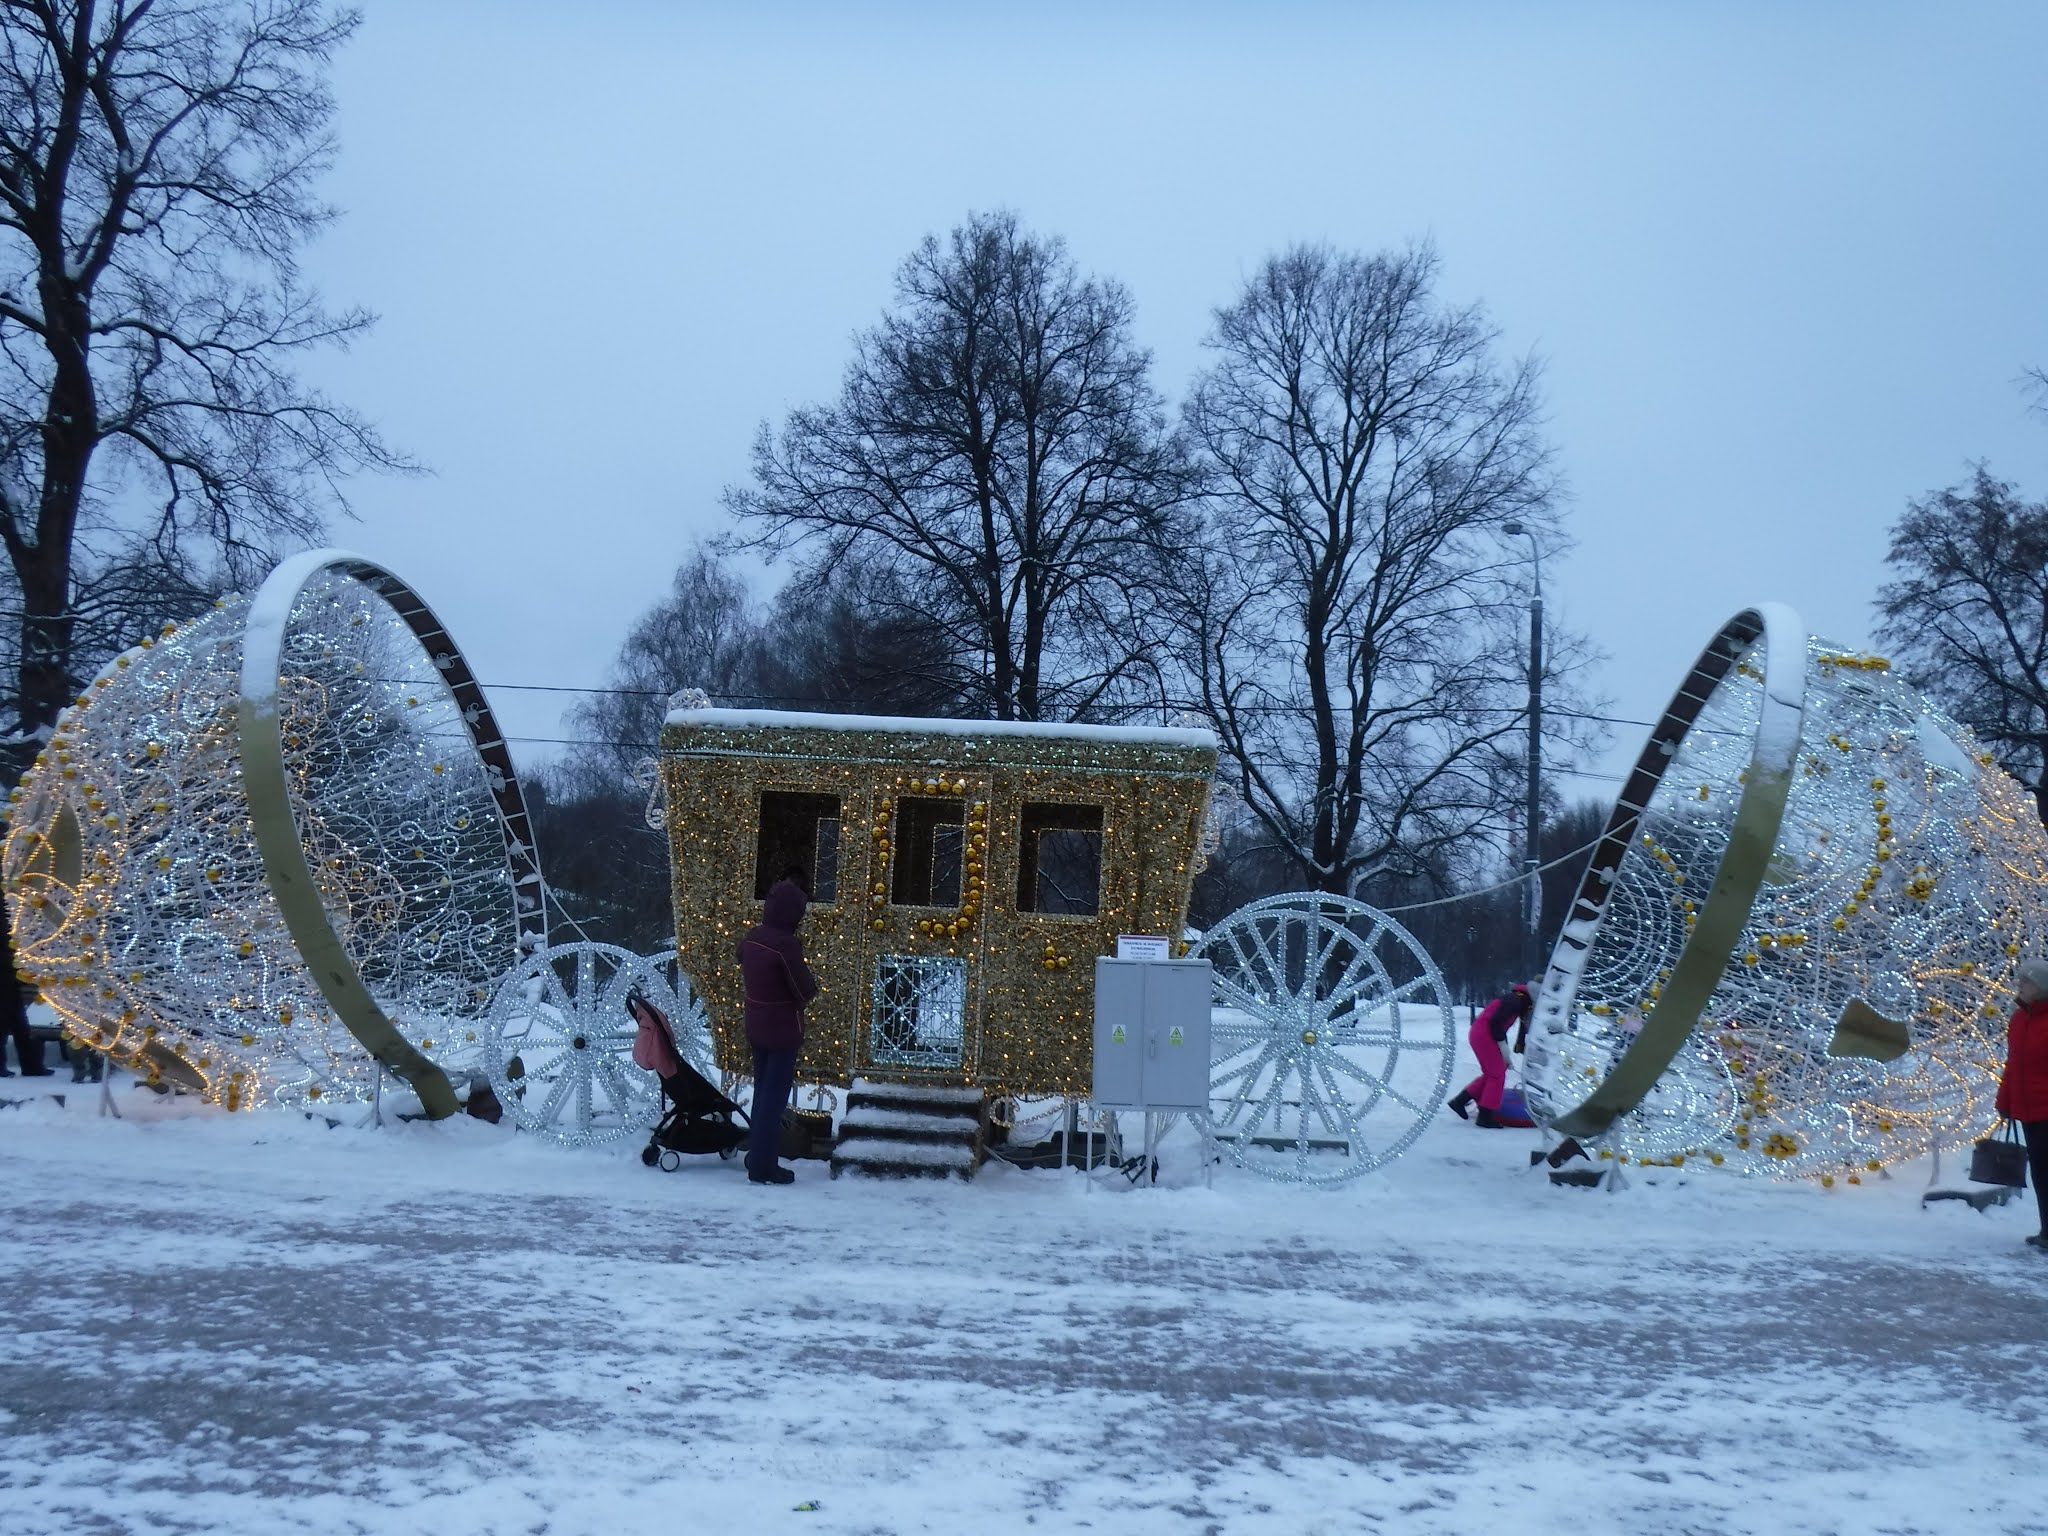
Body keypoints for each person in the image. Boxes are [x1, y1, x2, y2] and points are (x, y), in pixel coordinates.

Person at [737, 875, 819, 1185]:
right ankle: (763, 1166)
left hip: (756, 1024)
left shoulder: (753, 937)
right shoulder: (786, 945)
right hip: (783, 1029)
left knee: (762, 1094)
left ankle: (757, 1155)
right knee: (774, 1100)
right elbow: (803, 989)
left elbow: (739, 956)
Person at [1995, 958, 2048, 1251]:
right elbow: (2013, 1065)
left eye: (2025, 982)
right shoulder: (2019, 1018)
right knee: (2040, 1172)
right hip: (2029, 1110)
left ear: (2040, 987)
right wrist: (2005, 1102)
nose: (2020, 986)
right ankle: (2047, 1231)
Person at [1447, 981, 1534, 1128]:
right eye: (1531, 1007)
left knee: (1492, 1073)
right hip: (1485, 1035)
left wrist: (1504, 1052)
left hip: (1481, 1034)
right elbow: (1495, 1024)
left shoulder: (1513, 999)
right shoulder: (1515, 1001)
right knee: (1497, 1075)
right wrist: (1502, 1046)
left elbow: (1500, 1026)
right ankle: (1485, 1116)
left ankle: (1460, 1101)